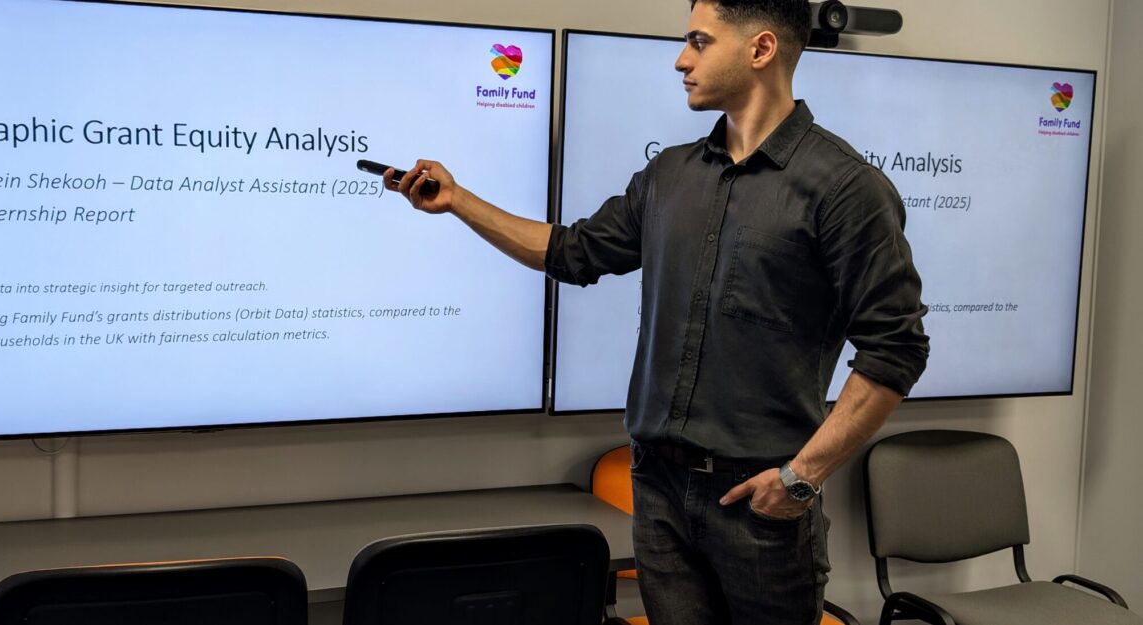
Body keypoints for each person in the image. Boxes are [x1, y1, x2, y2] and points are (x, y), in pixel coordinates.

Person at [382, 0, 929, 623]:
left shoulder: (844, 188)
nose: (681, 59)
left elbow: (896, 350)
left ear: (761, 50)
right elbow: (571, 252)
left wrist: (800, 478)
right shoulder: (669, 175)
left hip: (758, 504)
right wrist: (457, 201)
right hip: (659, 494)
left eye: (699, 41)